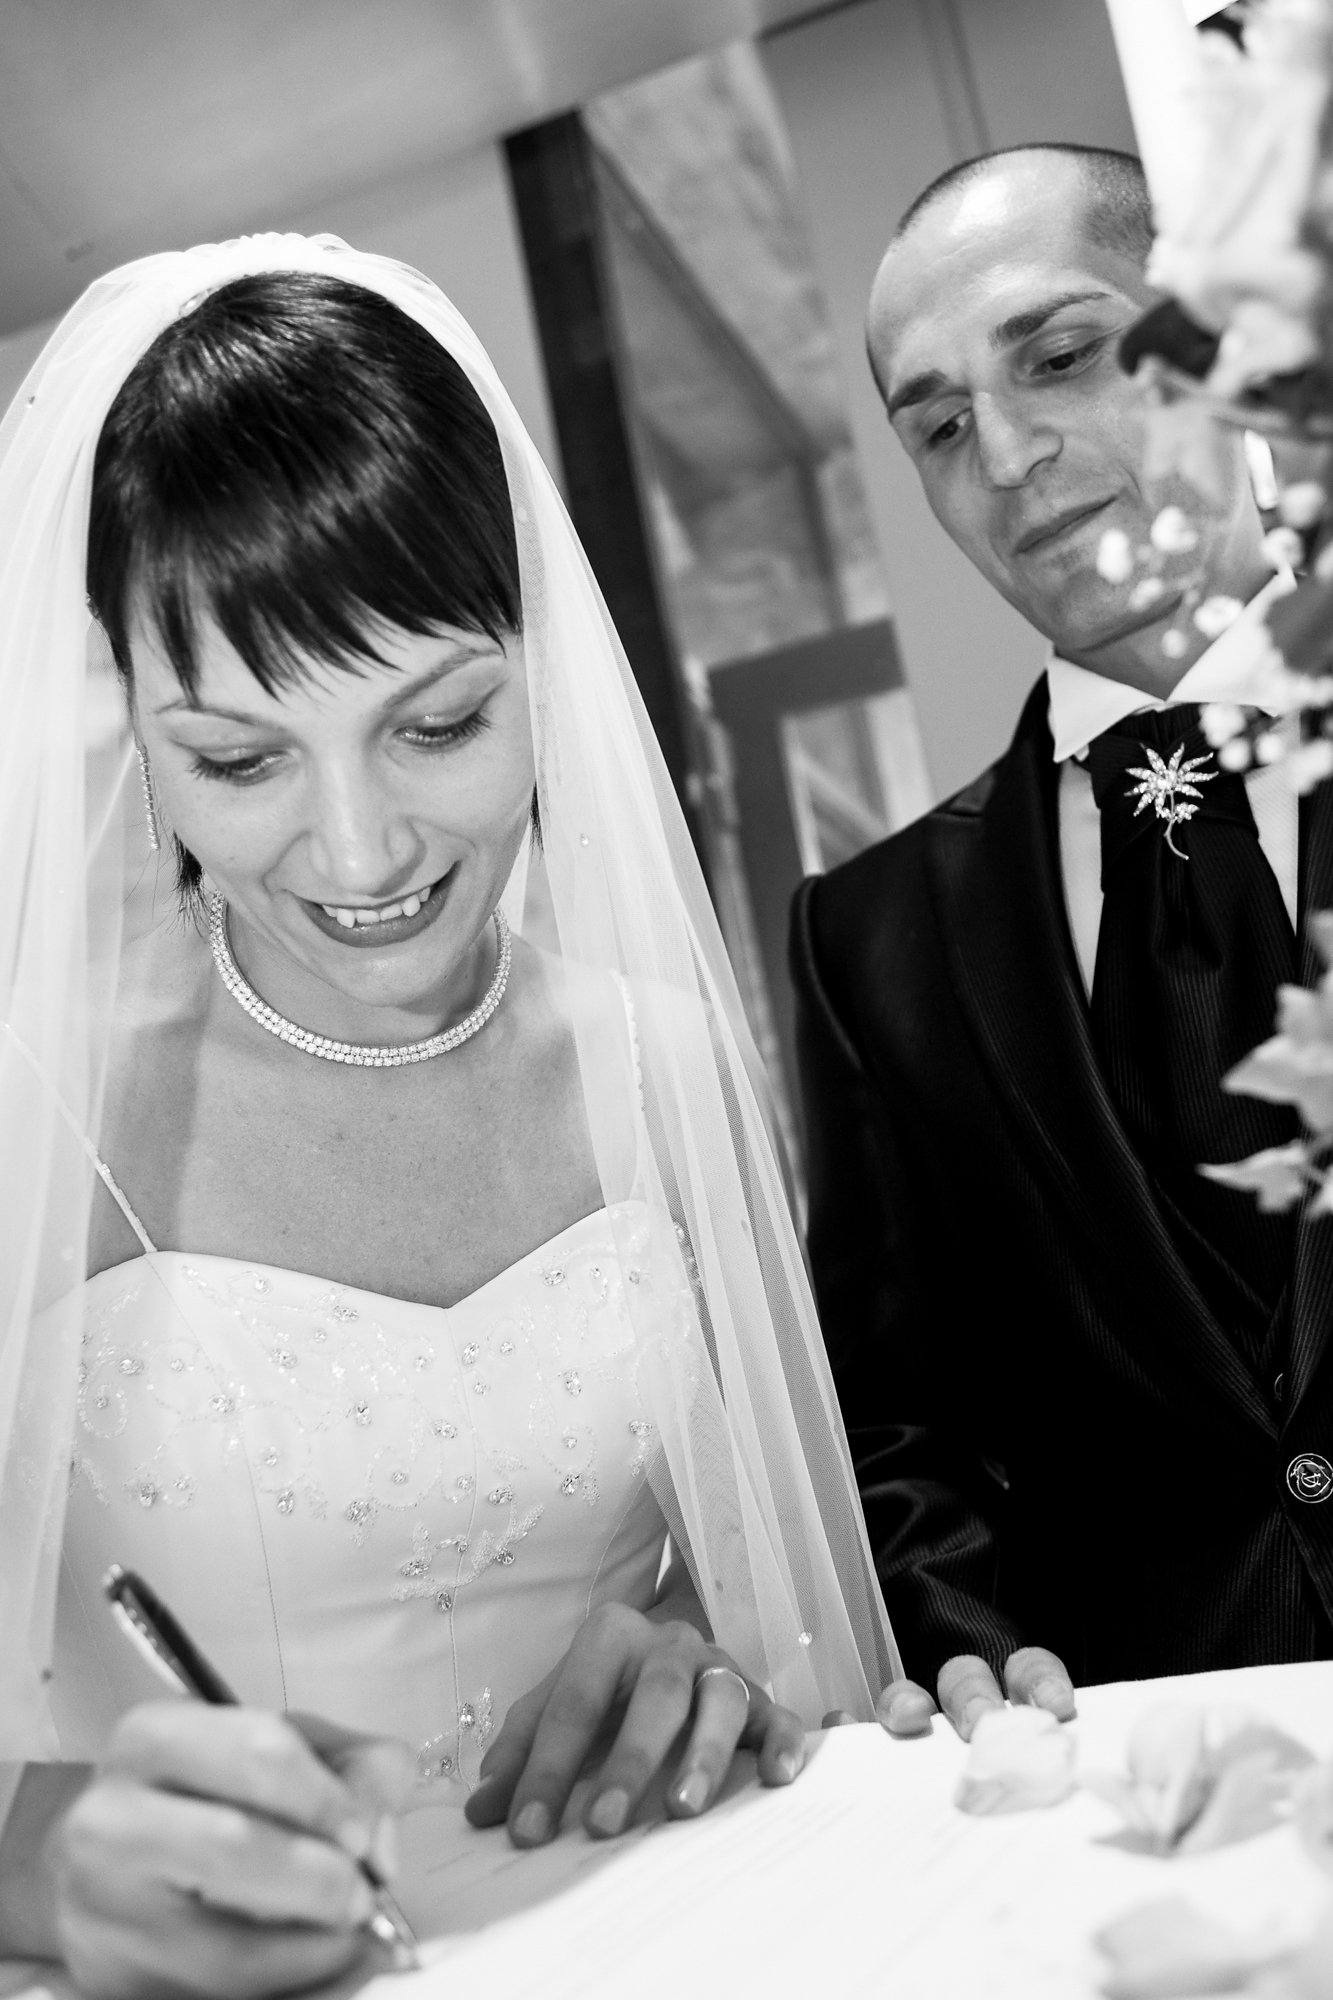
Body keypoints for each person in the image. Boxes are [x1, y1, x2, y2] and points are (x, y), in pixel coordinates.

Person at [0, 234, 896, 1999]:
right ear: (128, 723)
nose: (358, 854)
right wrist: (41, 1860)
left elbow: (777, 1579)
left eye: (439, 722)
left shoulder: (668, 1063)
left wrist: (703, 1658)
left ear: (539, 660)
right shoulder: (43, 1112)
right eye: (240, 759)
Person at [791, 142, 1333, 1746]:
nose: (1010, 455)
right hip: (1148, 1812)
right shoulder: (870, 937)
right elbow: (898, 1421)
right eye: (940, 425)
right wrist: (960, 1635)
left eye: (1062, 355)